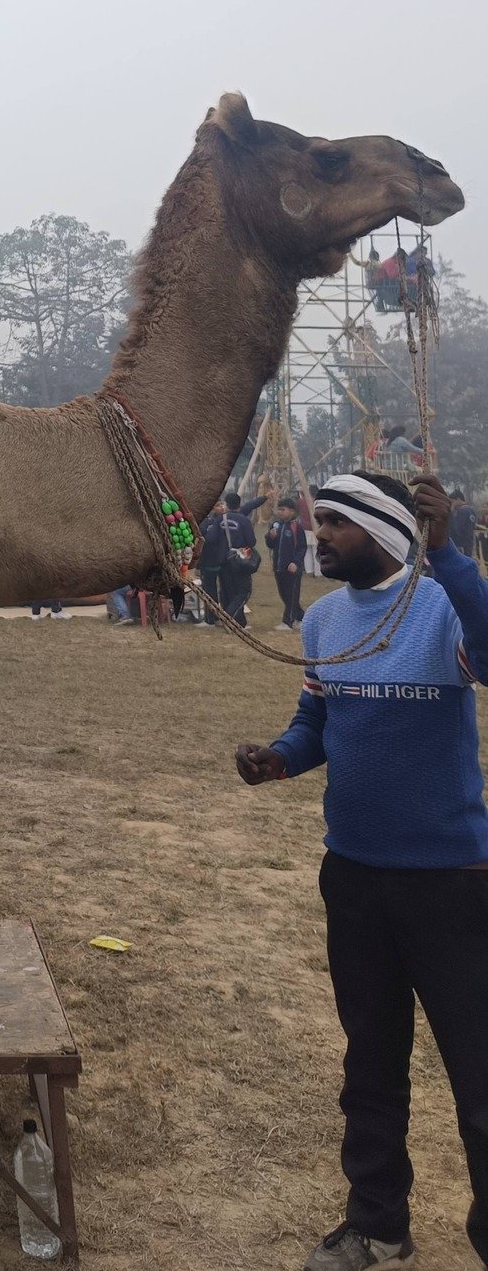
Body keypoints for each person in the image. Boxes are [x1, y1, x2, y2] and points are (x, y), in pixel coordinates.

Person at [235, 472, 488, 1271]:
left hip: (449, 881)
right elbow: (318, 717)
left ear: (383, 529)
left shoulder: (441, 605)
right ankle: (378, 1224)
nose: (320, 534)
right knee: (370, 1065)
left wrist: (451, 556)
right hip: (353, 878)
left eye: (337, 522)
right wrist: (281, 757)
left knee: (479, 1073)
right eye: (321, 521)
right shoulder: (325, 619)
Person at [201, 491, 259, 628]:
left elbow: (211, 538)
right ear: (239, 504)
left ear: (226, 504)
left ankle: (239, 622)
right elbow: (251, 541)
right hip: (240, 561)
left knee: (228, 591)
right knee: (243, 591)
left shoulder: (220, 519)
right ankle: (229, 617)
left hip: (224, 560)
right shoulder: (244, 520)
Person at [266, 494, 309, 631]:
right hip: (279, 567)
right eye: (279, 509)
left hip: (292, 568)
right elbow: (270, 545)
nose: (280, 512)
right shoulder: (276, 525)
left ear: (292, 511)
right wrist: (270, 537)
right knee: (284, 595)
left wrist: (296, 562)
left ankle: (288, 622)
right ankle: (301, 618)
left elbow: (302, 547)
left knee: (292, 595)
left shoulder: (297, 526)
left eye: (283, 509)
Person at [450, 490, 478, 559]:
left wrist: (451, 513)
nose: (451, 504)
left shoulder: (462, 510)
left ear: (458, 499)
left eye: (452, 501)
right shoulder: (471, 510)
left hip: (461, 545)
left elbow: (456, 529)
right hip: (469, 544)